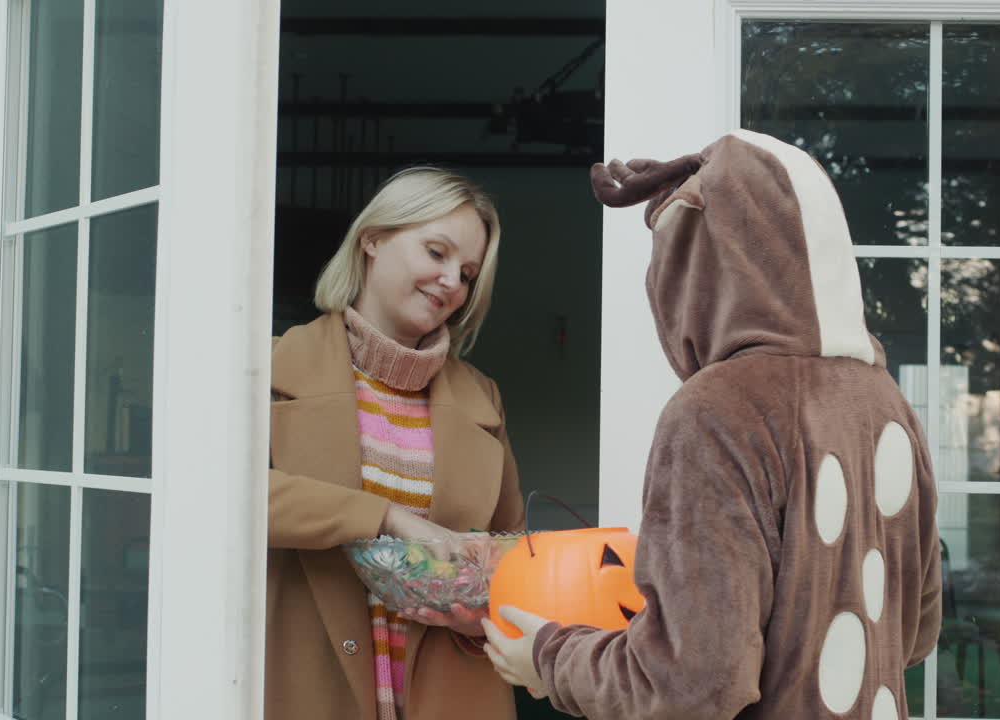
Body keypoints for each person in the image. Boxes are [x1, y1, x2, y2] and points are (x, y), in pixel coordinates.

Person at [483, 130, 942, 720]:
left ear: (695, 267)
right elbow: (917, 632)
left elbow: (694, 684)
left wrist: (550, 657)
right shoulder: (887, 402)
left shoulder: (719, 409)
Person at [267, 167, 523, 720]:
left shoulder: (484, 399)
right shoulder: (263, 369)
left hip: (453, 692)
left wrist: (475, 618)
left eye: (468, 272)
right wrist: (385, 516)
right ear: (373, 239)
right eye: (436, 251)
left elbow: (512, 555)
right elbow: (217, 495)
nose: (452, 280)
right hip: (305, 685)